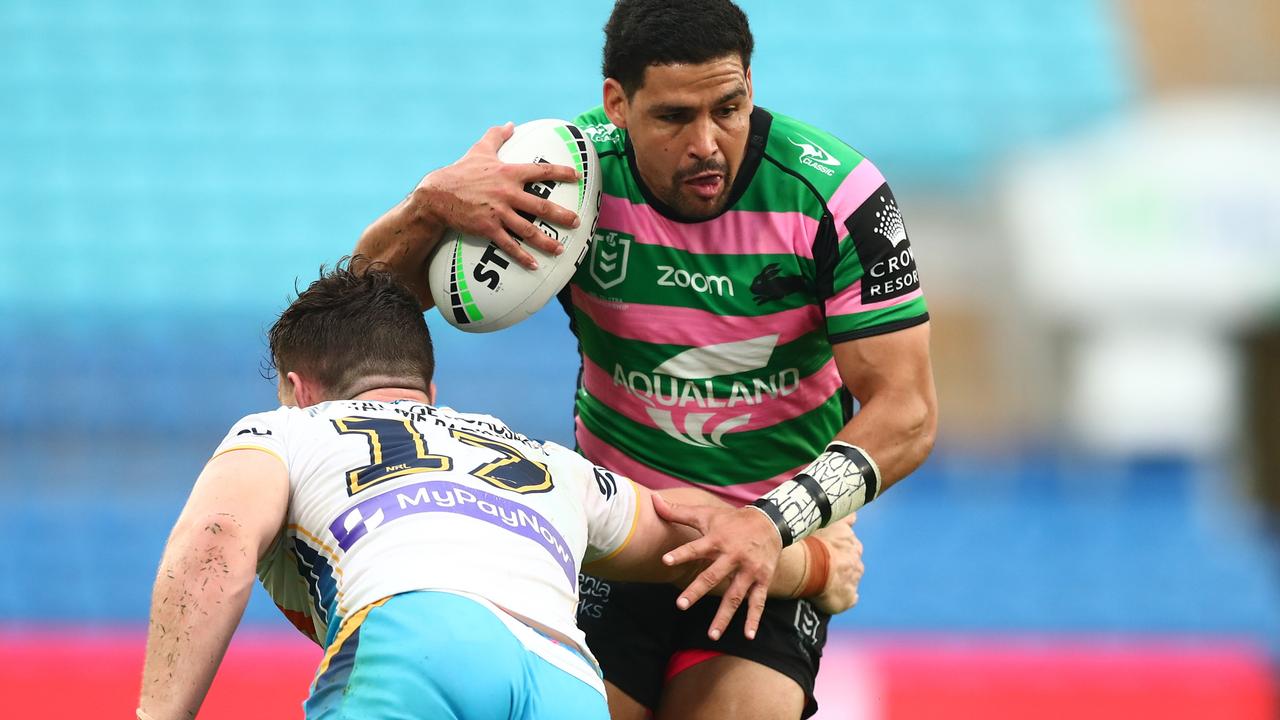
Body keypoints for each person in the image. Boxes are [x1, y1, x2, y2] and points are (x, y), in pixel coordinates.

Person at [355, 0, 938, 716]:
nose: (708, 143)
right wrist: (429, 206)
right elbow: (359, 306)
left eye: (729, 107)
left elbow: (906, 411)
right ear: (618, 105)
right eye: (672, 117)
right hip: (617, 532)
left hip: (764, 544)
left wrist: (777, 523)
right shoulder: (566, 181)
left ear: (751, 84)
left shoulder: (839, 198)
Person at [136, 261, 863, 720]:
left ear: (299, 389)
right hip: (567, 678)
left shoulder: (288, 432)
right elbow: (691, 534)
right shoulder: (543, 459)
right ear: (429, 390)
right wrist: (817, 568)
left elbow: (216, 542)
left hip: (420, 637)